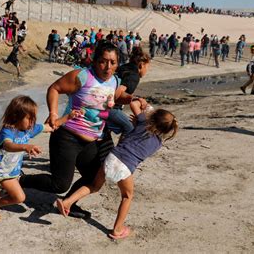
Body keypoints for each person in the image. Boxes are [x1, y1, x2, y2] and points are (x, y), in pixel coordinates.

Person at [20, 42, 146, 219]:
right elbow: (54, 89)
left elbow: (117, 96)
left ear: (118, 64)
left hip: (91, 140)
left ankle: (70, 203)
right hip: (67, 136)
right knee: (59, 184)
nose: (108, 67)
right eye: (103, 61)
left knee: (95, 178)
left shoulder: (115, 80)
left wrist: (133, 98)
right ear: (95, 61)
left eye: (113, 62)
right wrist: (53, 113)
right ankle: (21, 180)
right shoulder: (82, 76)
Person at [0, 95, 81, 248]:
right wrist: (26, 147)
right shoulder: (8, 131)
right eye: (29, 118)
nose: (32, 122)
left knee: (19, 197)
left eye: (34, 118)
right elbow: (8, 146)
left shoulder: (29, 129)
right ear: (16, 116)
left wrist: (69, 117)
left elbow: (51, 126)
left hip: (9, 173)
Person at [56, 105, 178, 240]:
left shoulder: (142, 122)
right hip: (125, 166)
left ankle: (67, 202)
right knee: (127, 196)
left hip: (111, 156)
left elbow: (137, 105)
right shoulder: (158, 143)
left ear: (153, 117)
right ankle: (117, 229)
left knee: (94, 186)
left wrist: (143, 111)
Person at [107, 47, 151, 136]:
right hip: (110, 108)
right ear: (141, 65)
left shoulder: (124, 67)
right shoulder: (134, 76)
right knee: (130, 128)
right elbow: (117, 93)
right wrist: (135, 99)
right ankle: (122, 149)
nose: (147, 71)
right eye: (147, 68)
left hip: (100, 101)